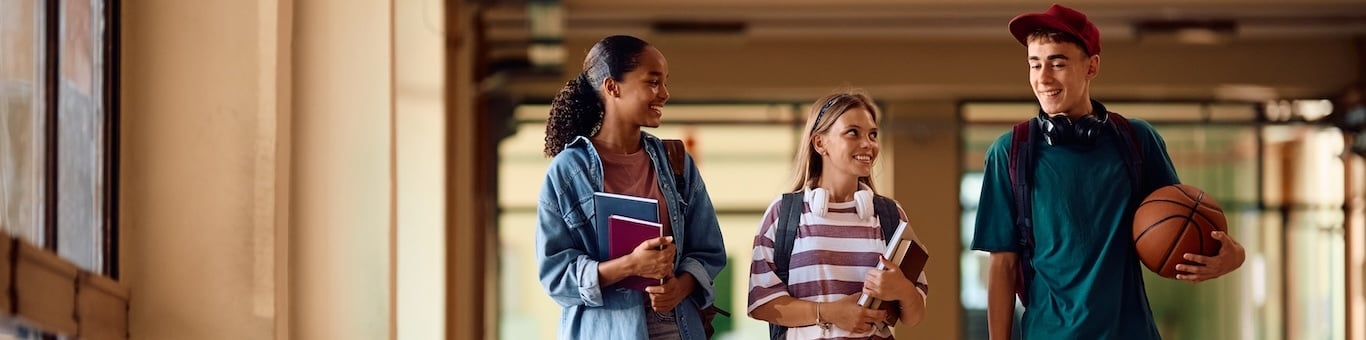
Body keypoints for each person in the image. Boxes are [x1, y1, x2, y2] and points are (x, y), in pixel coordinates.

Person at [971, 4, 1247, 339]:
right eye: (1035, 64)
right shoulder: (1010, 152)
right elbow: (1003, 265)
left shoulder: (1136, 141)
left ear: (1092, 66)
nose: (1043, 78)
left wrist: (1232, 257)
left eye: (1058, 63)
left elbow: (1179, 230)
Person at [536, 35, 727, 340]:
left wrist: (681, 286)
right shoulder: (569, 171)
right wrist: (630, 265)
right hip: (605, 331)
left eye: (665, 82)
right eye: (652, 82)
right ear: (612, 87)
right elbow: (556, 276)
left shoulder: (675, 162)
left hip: (678, 327)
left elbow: (709, 250)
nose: (664, 93)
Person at [748, 91, 928, 339]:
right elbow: (761, 303)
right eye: (853, 132)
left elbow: (915, 316)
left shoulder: (890, 215)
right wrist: (830, 312)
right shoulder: (783, 214)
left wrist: (903, 290)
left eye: (872, 134)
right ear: (820, 143)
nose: (868, 144)